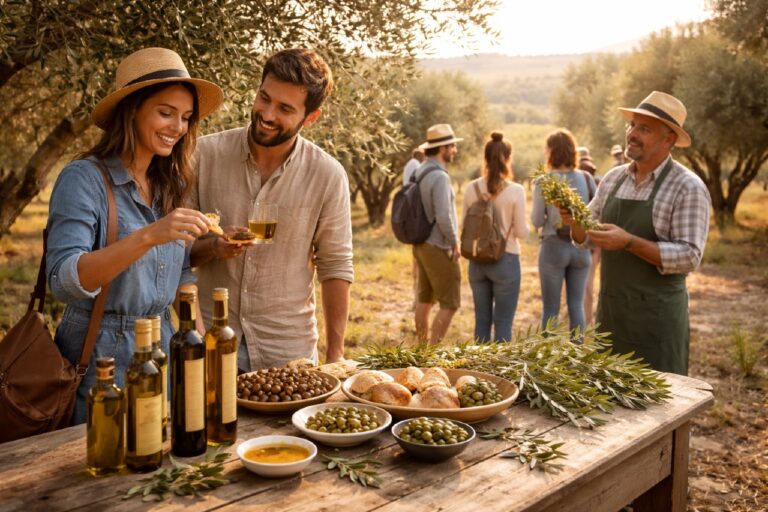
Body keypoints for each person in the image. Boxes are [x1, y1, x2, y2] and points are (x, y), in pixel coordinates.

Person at [46, 48, 224, 424]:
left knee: (157, 465)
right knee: (100, 471)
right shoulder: (84, 179)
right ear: (132, 110)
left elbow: (181, 277)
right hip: (101, 356)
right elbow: (64, 279)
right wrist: (148, 236)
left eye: (186, 117)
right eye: (165, 112)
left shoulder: (168, 186)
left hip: (161, 347)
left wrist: (204, 348)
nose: (178, 127)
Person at [189, 48, 353, 371]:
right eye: (264, 98)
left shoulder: (328, 175)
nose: (266, 113)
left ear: (310, 118)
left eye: (284, 108)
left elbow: (335, 266)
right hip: (211, 344)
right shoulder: (203, 156)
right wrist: (214, 247)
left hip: (289, 353)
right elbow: (174, 254)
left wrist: (336, 355)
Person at [561, 91, 711, 375]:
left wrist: (629, 242)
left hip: (657, 322)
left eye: (644, 129)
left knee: (662, 410)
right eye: (632, 125)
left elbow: (689, 256)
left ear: (669, 140)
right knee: (611, 409)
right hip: (612, 318)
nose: (632, 134)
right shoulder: (614, 179)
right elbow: (587, 235)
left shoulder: (687, 187)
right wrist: (573, 220)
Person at [462, 132, 528, 343]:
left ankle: (478, 372)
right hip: (505, 260)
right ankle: (497, 373)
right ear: (508, 158)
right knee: (503, 323)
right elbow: (522, 233)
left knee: (481, 321)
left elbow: (464, 227)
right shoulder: (516, 191)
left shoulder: (471, 189)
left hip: (477, 261)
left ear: (485, 158)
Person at [531, 129, 596, 334]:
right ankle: (575, 357)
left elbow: (535, 220)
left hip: (553, 248)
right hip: (581, 249)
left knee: (551, 309)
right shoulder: (586, 178)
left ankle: (548, 360)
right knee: (576, 305)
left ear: (551, 151)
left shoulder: (545, 181)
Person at [412, 124, 463, 344]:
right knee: (450, 302)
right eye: (452, 146)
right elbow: (444, 215)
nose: (455, 150)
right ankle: (432, 351)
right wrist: (455, 242)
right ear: (442, 148)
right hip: (438, 244)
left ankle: (422, 350)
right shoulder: (440, 177)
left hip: (420, 243)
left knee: (424, 299)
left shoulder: (420, 170)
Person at [577, 146, 600, 326]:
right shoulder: (594, 179)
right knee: (588, 285)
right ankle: (587, 321)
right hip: (593, 241)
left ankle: (580, 322)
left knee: (578, 287)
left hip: (576, 236)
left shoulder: (572, 179)